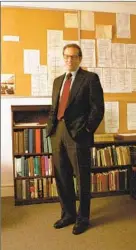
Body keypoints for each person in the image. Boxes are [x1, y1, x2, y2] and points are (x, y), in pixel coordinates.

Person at [46, 43, 104, 235]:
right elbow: (54, 108)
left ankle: (83, 218)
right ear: (63, 58)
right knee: (62, 177)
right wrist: (51, 129)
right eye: (66, 56)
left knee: (82, 179)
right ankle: (68, 214)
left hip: (79, 135)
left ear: (80, 58)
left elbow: (98, 109)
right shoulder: (57, 81)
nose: (69, 60)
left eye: (73, 56)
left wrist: (87, 129)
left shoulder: (90, 79)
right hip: (58, 133)